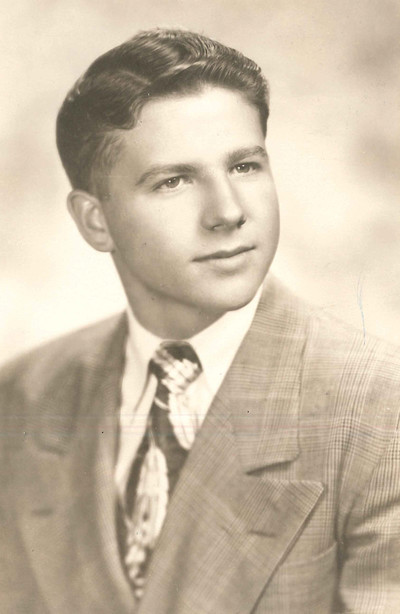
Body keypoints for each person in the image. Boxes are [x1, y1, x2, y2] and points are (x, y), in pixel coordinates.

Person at [0, 28, 399, 614]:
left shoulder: (377, 409)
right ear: (95, 221)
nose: (228, 212)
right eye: (174, 181)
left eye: (244, 166)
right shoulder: (26, 396)